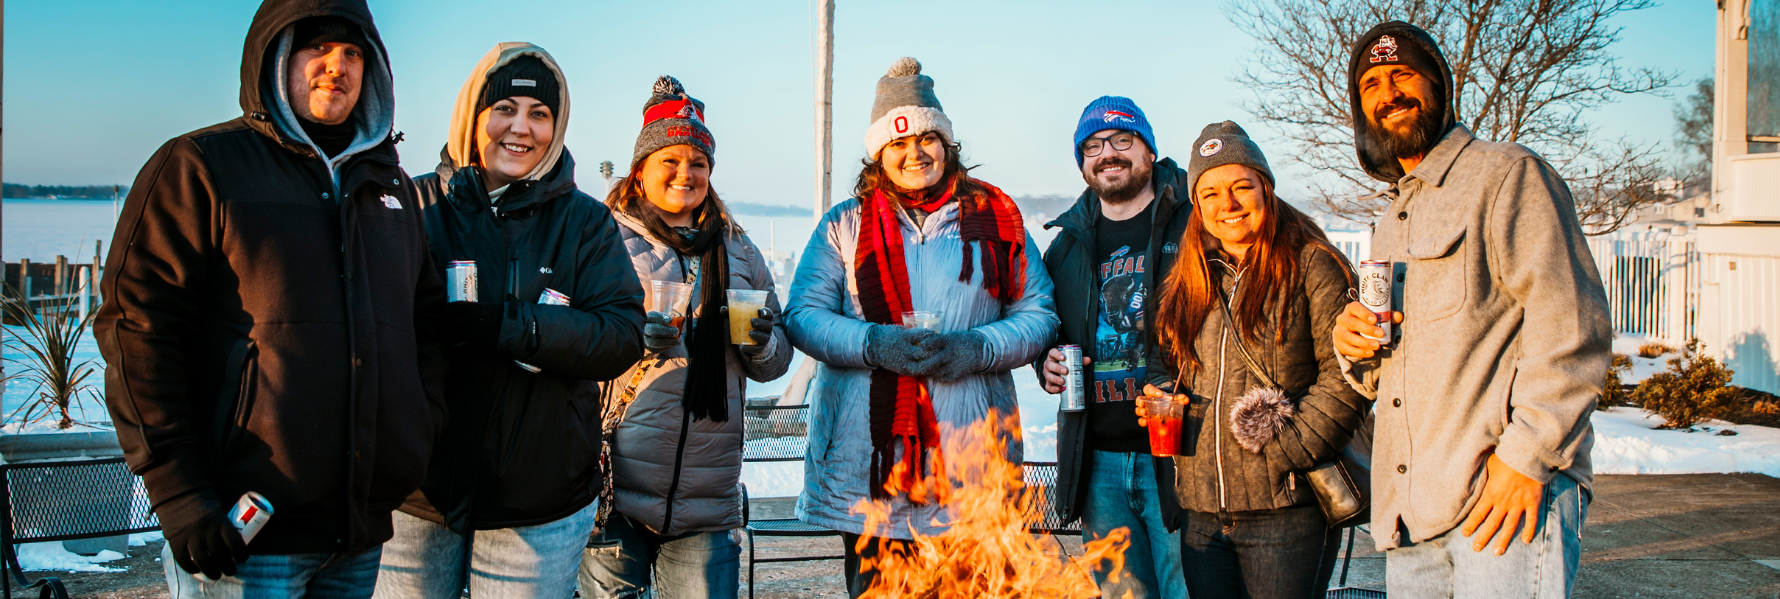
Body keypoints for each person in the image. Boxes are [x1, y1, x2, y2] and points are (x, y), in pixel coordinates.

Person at [95, 0, 447, 596]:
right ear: (276, 55)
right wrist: (181, 494)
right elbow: (138, 331)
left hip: (359, 533)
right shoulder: (202, 167)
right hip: (243, 533)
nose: (337, 66)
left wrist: (416, 432)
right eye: (318, 48)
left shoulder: (389, 188)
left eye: (353, 52)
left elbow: (426, 326)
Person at [1329, 22, 1611, 599]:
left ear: (1439, 86)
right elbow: (1392, 373)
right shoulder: (1388, 225)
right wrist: (1352, 344)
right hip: (1411, 513)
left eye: (1402, 74)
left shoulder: (1507, 175)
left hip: (1500, 502)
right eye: (1371, 85)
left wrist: (1527, 460)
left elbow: (1572, 327)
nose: (1389, 93)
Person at [370, 43, 646, 599]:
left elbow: (621, 335)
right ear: (472, 115)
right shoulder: (412, 203)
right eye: (505, 109)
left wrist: (513, 326)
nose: (521, 128)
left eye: (539, 114)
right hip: (415, 496)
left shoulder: (585, 222)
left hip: (538, 503)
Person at [785, 57, 1059, 598]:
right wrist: (873, 342)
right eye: (899, 145)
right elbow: (803, 316)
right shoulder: (845, 223)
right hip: (871, 468)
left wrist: (976, 348)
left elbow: (1039, 314)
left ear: (947, 144)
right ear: (878, 154)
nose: (915, 154)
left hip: (972, 466)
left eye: (927, 139)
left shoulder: (998, 217)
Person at [577, 75, 793, 599]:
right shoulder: (600, 238)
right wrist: (629, 338)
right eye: (669, 161)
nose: (684, 174)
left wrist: (760, 341)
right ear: (640, 171)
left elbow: (776, 360)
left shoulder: (739, 252)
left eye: (697, 163)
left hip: (708, 497)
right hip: (613, 490)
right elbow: (573, 340)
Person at [1137, 121, 1369, 599]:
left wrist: (1290, 451)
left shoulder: (1312, 263)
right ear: (1197, 206)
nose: (1229, 204)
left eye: (1242, 187)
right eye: (1212, 193)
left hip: (1285, 511)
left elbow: (1347, 376)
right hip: (1202, 512)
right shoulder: (1189, 276)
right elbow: (1164, 360)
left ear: (1266, 188)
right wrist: (1161, 393)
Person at [1035, 96, 1191, 599]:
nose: (1109, 153)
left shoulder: (1193, 225)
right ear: (1083, 162)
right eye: (1094, 146)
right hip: (1097, 460)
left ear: (1149, 151)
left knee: (1187, 589)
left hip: (1179, 454)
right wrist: (1046, 362)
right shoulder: (1065, 245)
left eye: (1124, 140)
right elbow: (1045, 329)